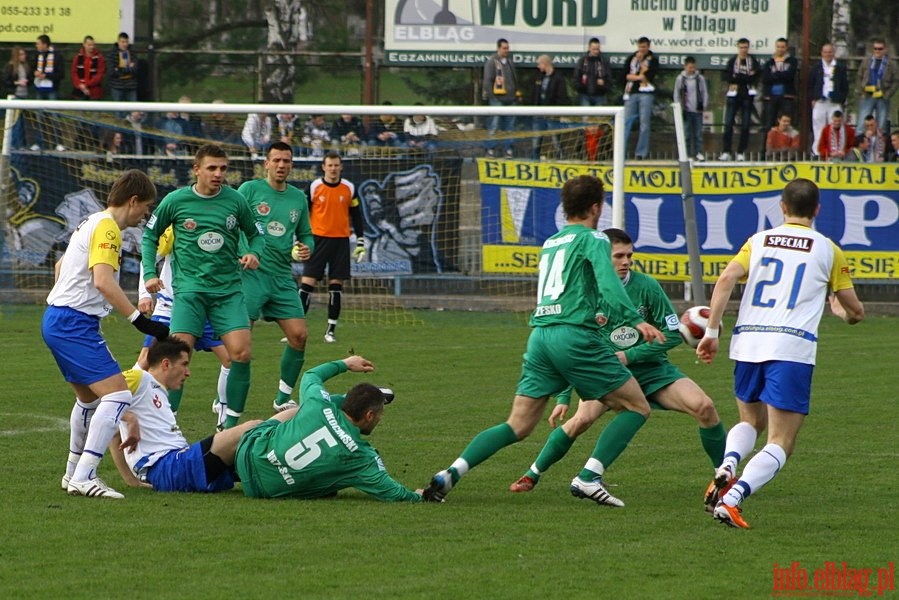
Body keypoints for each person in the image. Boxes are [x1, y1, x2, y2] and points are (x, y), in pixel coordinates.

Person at [423, 176, 664, 506]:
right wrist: (636, 319)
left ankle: (452, 471)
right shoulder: (594, 239)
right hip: (574, 336)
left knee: (518, 425)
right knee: (637, 406)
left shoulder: (552, 241)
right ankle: (589, 477)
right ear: (597, 207)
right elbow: (608, 284)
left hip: (540, 336)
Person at [509, 228, 726, 501]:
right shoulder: (586, 294)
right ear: (601, 257)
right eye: (618, 256)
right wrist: (564, 395)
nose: (625, 261)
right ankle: (533, 473)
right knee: (580, 420)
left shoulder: (647, 285)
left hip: (653, 370)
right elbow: (569, 350)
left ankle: (723, 475)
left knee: (704, 406)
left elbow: (672, 333)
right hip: (608, 375)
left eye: (629, 255)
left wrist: (630, 356)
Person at [696, 178, 864, 529]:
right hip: (791, 346)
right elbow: (855, 309)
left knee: (750, 422)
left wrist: (712, 331)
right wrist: (844, 314)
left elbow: (726, 279)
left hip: (748, 342)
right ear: (816, 210)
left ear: (782, 208)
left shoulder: (758, 240)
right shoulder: (828, 248)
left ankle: (727, 464)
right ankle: (734, 497)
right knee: (782, 440)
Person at [42, 169, 169, 499]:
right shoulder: (108, 228)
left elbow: (61, 267)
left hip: (58, 319)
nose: (145, 215)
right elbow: (102, 280)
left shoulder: (91, 220)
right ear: (133, 200)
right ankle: (86, 475)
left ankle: (72, 473)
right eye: (146, 207)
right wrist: (139, 321)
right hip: (72, 323)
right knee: (119, 396)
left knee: (88, 400)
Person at [141, 144, 265, 430]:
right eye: (212, 168)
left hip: (228, 293)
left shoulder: (236, 201)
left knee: (241, 354)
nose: (219, 173)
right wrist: (149, 274)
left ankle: (230, 425)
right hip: (189, 294)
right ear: (197, 169)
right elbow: (149, 238)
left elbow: (256, 236)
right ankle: (166, 426)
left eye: (223, 168)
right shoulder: (176, 200)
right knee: (176, 357)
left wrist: (253, 253)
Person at [235, 355, 433, 502]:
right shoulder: (363, 457)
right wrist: (419, 497)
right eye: (380, 414)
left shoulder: (320, 403)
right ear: (369, 415)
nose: (380, 419)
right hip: (265, 490)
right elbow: (394, 493)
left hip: (249, 452)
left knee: (301, 411)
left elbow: (311, 375)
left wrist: (345, 363)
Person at [109, 336, 263, 493]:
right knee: (252, 427)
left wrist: (131, 480)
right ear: (166, 364)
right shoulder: (139, 377)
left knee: (265, 448)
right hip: (168, 466)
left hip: (177, 463)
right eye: (184, 365)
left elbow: (114, 434)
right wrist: (130, 418)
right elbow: (102, 395)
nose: (188, 373)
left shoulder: (158, 391)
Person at [236, 141, 314, 412]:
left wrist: (306, 249)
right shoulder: (249, 190)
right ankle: (226, 401)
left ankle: (282, 398)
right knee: (240, 345)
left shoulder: (298, 198)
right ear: (266, 163)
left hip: (282, 277)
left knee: (299, 335)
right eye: (277, 160)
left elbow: (306, 234)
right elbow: (232, 225)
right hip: (251, 276)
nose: (282, 165)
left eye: (287, 161)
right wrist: (245, 253)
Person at [136, 223, 232, 426]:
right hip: (169, 307)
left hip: (204, 308)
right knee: (147, 360)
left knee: (231, 359)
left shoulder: (224, 225)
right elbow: (149, 256)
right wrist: (145, 293)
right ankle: (122, 405)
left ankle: (224, 413)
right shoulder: (178, 225)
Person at [300, 151, 365, 344]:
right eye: (330, 165)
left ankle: (330, 331)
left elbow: (357, 215)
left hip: (341, 241)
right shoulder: (314, 187)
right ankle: (296, 329)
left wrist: (360, 240)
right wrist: (300, 238)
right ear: (323, 167)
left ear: (341, 167)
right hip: (317, 239)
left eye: (337, 165)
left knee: (336, 286)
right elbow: (304, 213)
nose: (333, 168)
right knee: (306, 285)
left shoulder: (349, 188)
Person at [719, 38, 761, 162]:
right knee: (728, 124)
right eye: (741, 47)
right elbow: (726, 76)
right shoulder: (733, 61)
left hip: (747, 95)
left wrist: (738, 77)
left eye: (745, 47)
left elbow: (755, 77)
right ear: (738, 47)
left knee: (745, 125)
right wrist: (744, 77)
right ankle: (726, 151)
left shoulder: (752, 61)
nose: (743, 50)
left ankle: (741, 152)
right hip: (733, 95)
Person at [808, 43, 849, 157]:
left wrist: (841, 99)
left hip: (834, 102)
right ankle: (817, 151)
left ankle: (837, 151)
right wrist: (813, 98)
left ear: (833, 53)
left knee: (836, 125)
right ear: (821, 53)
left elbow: (845, 86)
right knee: (818, 126)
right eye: (825, 52)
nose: (828, 54)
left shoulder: (840, 68)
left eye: (830, 52)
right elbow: (810, 84)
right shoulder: (816, 67)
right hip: (820, 101)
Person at [621, 37, 659, 160]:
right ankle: (621, 152)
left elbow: (648, 76)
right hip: (631, 93)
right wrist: (637, 76)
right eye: (640, 47)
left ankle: (641, 153)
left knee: (644, 124)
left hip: (646, 94)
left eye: (644, 47)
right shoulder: (631, 59)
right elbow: (625, 75)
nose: (641, 50)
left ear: (648, 47)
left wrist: (641, 64)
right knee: (626, 122)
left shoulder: (653, 60)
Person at [482, 38, 520, 157]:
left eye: (508, 48)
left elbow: (514, 79)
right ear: (498, 48)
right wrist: (493, 98)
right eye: (504, 48)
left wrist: (517, 94)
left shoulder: (509, 62)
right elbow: (487, 81)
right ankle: (490, 148)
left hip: (511, 99)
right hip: (497, 100)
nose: (506, 50)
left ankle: (508, 149)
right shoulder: (491, 62)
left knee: (509, 126)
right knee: (494, 125)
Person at [529, 54, 570, 160]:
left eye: (539, 64)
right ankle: (534, 161)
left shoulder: (558, 78)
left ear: (545, 64)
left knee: (556, 140)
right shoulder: (538, 77)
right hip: (539, 115)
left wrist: (560, 113)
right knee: (536, 140)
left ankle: (559, 160)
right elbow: (535, 94)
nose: (538, 67)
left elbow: (562, 96)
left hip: (553, 115)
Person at [855, 38, 897, 134]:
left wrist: (888, 94)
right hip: (867, 95)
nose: (877, 51)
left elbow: (896, 81)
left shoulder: (891, 64)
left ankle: (880, 147)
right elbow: (859, 76)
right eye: (875, 49)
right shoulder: (866, 61)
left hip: (882, 95)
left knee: (882, 124)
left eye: (880, 49)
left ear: (885, 49)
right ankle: (860, 146)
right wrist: (860, 91)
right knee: (862, 123)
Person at [760, 38, 798, 136]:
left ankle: (788, 147)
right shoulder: (769, 62)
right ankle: (767, 149)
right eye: (778, 47)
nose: (780, 49)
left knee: (787, 122)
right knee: (769, 123)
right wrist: (781, 75)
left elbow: (790, 76)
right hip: (771, 96)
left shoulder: (792, 61)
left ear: (786, 48)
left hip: (786, 95)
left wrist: (775, 75)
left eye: (782, 47)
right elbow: (765, 78)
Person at [673, 56, 709, 161]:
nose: (692, 69)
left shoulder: (700, 78)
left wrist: (704, 106)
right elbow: (676, 94)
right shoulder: (680, 79)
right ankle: (686, 154)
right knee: (686, 134)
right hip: (685, 110)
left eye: (693, 67)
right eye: (689, 67)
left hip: (697, 109)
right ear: (685, 67)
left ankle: (698, 153)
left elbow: (704, 93)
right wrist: (678, 107)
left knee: (698, 134)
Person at [2, 46, 30, 149]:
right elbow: (5, 81)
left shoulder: (24, 66)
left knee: (22, 122)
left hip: (23, 96)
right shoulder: (10, 66)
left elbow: (29, 79)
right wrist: (17, 83)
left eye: (24, 54)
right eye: (21, 54)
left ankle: (21, 144)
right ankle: (14, 144)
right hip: (15, 97)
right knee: (16, 122)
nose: (24, 56)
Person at [573, 38, 612, 107]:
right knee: (585, 116)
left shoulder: (603, 61)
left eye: (597, 49)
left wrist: (605, 86)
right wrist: (580, 87)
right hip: (584, 94)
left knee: (599, 117)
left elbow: (609, 77)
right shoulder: (583, 60)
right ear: (589, 48)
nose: (596, 51)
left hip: (600, 94)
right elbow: (577, 76)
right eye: (594, 49)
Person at [106, 32, 138, 112]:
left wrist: (119, 69)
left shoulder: (133, 53)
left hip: (131, 86)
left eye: (126, 42)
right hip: (117, 86)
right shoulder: (112, 54)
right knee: (118, 112)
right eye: (123, 42)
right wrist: (127, 69)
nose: (125, 44)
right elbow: (111, 72)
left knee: (133, 111)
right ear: (118, 42)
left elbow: (135, 69)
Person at [70, 35, 104, 100]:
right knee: (79, 109)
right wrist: (80, 85)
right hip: (79, 90)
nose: (91, 47)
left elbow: (99, 74)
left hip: (94, 91)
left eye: (92, 45)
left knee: (95, 109)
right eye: (89, 45)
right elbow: (74, 73)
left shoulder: (99, 58)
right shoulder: (77, 58)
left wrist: (86, 85)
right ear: (84, 44)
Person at [33, 35, 64, 100]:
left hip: (52, 89)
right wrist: (35, 73)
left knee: (51, 109)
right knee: (39, 108)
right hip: (39, 87)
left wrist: (46, 76)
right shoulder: (37, 55)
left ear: (44, 45)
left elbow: (61, 74)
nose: (36, 46)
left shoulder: (57, 56)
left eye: (38, 44)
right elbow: (33, 69)